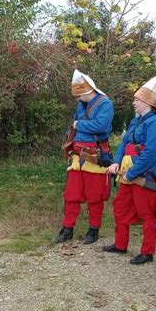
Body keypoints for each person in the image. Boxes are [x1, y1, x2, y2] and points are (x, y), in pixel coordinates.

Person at [104, 76, 156, 265]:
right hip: (126, 172)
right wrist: (116, 162)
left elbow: (150, 153)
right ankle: (121, 244)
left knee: (147, 212)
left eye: (137, 100)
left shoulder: (155, 123)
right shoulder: (135, 121)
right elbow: (124, 143)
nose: (134, 103)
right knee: (121, 206)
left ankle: (147, 252)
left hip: (143, 174)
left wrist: (132, 173)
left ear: (147, 102)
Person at [55, 69, 114, 245]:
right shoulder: (81, 105)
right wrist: (71, 134)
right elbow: (74, 126)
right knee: (71, 194)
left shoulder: (105, 104)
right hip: (76, 156)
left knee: (95, 196)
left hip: (95, 155)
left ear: (87, 91)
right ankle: (67, 228)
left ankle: (94, 229)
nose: (77, 99)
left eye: (79, 95)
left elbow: (100, 125)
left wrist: (78, 124)